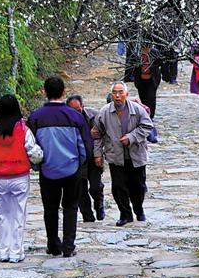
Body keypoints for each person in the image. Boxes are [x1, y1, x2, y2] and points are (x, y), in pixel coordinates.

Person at [28, 76, 93, 258]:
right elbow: (85, 145)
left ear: (45, 92)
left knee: (50, 208)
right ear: (64, 92)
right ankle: (68, 246)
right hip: (72, 169)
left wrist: (36, 166)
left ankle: (53, 245)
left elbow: (30, 147)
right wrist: (81, 164)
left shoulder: (36, 117)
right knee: (71, 207)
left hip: (47, 170)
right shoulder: (75, 116)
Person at [0, 94, 43, 263]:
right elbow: (34, 153)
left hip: (1, 178)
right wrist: (41, 157)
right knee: (18, 214)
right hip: (20, 177)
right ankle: (16, 252)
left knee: (3, 215)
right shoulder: (23, 130)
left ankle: (4, 251)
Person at [93, 81, 153, 226]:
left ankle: (139, 210)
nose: (118, 96)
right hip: (115, 156)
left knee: (137, 187)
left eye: (121, 93)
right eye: (115, 93)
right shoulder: (104, 112)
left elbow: (147, 126)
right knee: (118, 188)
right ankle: (125, 214)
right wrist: (97, 154)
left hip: (136, 155)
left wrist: (131, 137)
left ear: (126, 94)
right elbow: (97, 134)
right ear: (111, 95)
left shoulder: (138, 110)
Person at [66, 94, 105, 222]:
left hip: (93, 157)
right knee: (80, 191)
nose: (76, 113)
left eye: (78, 110)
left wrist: (99, 154)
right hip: (76, 160)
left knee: (95, 187)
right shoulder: (64, 121)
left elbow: (102, 136)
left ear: (82, 106)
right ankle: (88, 217)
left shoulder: (94, 116)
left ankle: (99, 205)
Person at [133, 37, 162, 142]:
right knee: (143, 97)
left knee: (151, 97)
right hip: (141, 79)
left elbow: (160, 63)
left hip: (151, 79)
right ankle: (145, 113)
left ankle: (151, 115)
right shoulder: (137, 54)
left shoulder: (154, 53)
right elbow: (134, 66)